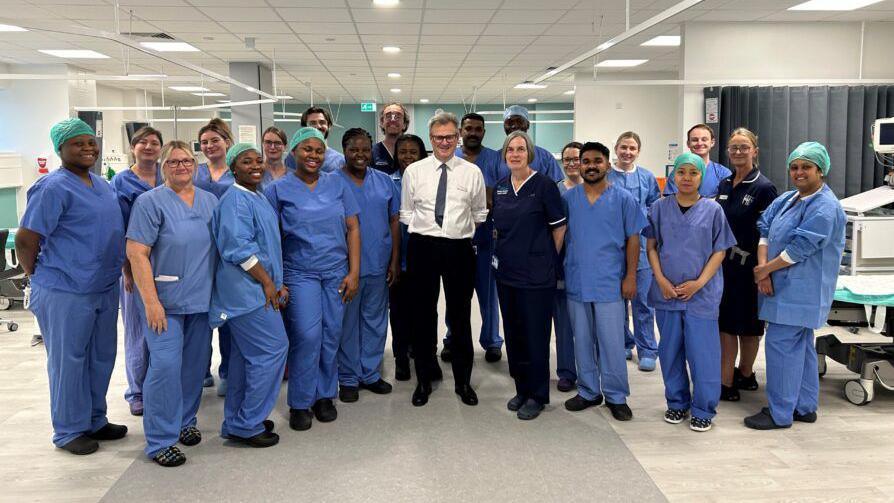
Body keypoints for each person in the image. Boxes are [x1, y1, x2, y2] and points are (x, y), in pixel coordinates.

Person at [16, 118, 127, 455]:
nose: (88, 148)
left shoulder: (103, 184)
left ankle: (95, 418)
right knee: (69, 361)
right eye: (78, 143)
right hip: (65, 289)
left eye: (91, 142)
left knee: (101, 357)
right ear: (61, 149)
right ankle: (67, 430)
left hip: (103, 286)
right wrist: (37, 274)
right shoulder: (52, 188)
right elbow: (26, 238)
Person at [126, 140, 218, 466]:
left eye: (187, 161)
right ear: (163, 167)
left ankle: (185, 421)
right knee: (164, 367)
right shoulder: (149, 203)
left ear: (195, 165)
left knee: (194, 367)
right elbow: (137, 253)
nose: (182, 167)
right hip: (163, 301)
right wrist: (150, 302)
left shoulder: (209, 201)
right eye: (174, 162)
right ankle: (160, 439)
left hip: (201, 299)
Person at [265, 127, 361, 431]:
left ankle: (324, 396)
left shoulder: (337, 184)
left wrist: (354, 272)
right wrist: (276, 279)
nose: (313, 156)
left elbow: (353, 228)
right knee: (307, 336)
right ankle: (300, 401)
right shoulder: (278, 190)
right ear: (293, 152)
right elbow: (269, 238)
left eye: (319, 150)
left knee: (331, 332)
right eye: (307, 149)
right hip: (299, 271)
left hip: (335, 270)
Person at [745, 142, 845, 430]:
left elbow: (800, 248)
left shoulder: (825, 206)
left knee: (782, 348)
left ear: (821, 170)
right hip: (779, 284)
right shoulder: (789, 199)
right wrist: (763, 272)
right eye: (794, 167)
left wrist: (766, 269)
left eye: (806, 167)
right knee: (801, 348)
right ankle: (804, 406)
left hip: (801, 291)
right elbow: (765, 227)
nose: (799, 172)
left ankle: (779, 413)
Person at [400, 111, 487, 407]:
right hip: (422, 246)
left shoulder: (471, 172)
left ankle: (463, 381)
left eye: (450, 136)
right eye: (439, 137)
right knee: (422, 315)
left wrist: (456, 233)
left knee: (460, 316)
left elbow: (479, 214)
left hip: (458, 248)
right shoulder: (415, 172)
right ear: (431, 139)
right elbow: (407, 213)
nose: (444, 142)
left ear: (458, 137)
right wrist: (431, 232)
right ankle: (424, 378)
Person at [645, 152, 736, 432]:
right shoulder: (660, 207)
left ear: (702, 177)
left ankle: (703, 409)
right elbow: (651, 246)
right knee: (670, 352)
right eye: (681, 172)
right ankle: (676, 403)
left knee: (703, 355)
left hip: (701, 295)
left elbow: (720, 250)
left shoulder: (713, 210)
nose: (686, 178)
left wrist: (698, 283)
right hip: (667, 293)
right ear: (674, 175)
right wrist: (660, 279)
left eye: (693, 173)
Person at [211, 143, 288, 448]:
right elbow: (238, 249)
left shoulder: (255, 196)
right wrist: (269, 283)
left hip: (255, 290)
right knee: (272, 350)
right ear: (233, 168)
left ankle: (238, 420)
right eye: (246, 161)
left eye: (258, 161)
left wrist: (276, 281)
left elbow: (267, 245)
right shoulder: (234, 200)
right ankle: (247, 422)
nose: (255, 165)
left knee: (246, 358)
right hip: (247, 293)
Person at [562, 142, 644, 422]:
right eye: (586, 161)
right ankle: (588, 391)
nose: (591, 166)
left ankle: (616, 396)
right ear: (579, 166)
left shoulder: (623, 199)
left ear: (608, 165)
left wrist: (631, 275)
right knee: (581, 339)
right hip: (577, 279)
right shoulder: (570, 199)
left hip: (610, 281)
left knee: (611, 341)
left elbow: (634, 239)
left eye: (597, 160)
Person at [492, 131, 566, 420]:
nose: (515, 154)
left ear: (529, 153)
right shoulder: (500, 187)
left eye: (521, 149)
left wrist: (546, 258)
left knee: (536, 335)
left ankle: (538, 394)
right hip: (507, 273)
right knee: (514, 334)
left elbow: (559, 228)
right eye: (510, 149)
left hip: (537, 276)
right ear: (504, 154)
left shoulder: (545, 186)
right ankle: (521, 388)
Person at [336, 128, 400, 402]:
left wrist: (395, 260)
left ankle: (370, 373)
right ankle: (349, 377)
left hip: (378, 263)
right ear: (344, 151)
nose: (360, 155)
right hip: (345, 268)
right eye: (354, 149)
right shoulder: (332, 182)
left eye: (365, 149)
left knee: (375, 320)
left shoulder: (385, 182)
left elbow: (394, 221)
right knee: (348, 323)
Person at [716, 128, 777, 402]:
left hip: (750, 268)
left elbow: (769, 232)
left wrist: (764, 270)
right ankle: (725, 379)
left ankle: (746, 372)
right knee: (726, 324)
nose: (738, 152)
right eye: (733, 148)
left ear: (755, 151)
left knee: (750, 326)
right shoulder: (725, 184)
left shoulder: (763, 187)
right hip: (723, 266)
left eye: (743, 147)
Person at [442, 112, 504, 364]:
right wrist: (482, 195)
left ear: (483, 133)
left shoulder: (495, 159)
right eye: (468, 129)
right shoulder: (450, 158)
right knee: (456, 295)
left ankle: (492, 341)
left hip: (487, 239)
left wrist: (482, 195)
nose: (473, 133)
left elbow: (501, 192)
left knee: (489, 294)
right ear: (460, 132)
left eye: (478, 129)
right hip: (456, 240)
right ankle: (452, 339)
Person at [110, 126, 164, 417]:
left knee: (163, 327)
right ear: (133, 147)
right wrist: (126, 271)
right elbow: (117, 228)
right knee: (138, 330)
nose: (148, 147)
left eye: (154, 143)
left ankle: (160, 386)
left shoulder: (166, 176)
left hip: (167, 264)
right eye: (142, 142)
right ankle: (138, 391)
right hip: (133, 264)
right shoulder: (121, 182)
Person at [606, 132, 661, 371]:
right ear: (615, 148)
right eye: (623, 147)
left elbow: (655, 208)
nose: (627, 152)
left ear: (638, 151)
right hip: (612, 247)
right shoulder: (606, 176)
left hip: (641, 247)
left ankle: (647, 348)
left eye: (632, 148)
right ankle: (623, 343)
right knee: (616, 301)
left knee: (643, 301)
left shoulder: (647, 177)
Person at [193, 118, 235, 396]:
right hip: (198, 251)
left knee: (230, 316)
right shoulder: (194, 172)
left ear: (227, 142)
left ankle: (229, 372)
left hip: (231, 250)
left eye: (215, 140)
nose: (209, 146)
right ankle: (199, 369)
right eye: (205, 142)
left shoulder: (240, 171)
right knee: (198, 315)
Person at [389, 134, 433, 381]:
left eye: (412, 152)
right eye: (402, 152)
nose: (407, 157)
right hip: (397, 258)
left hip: (425, 258)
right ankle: (400, 358)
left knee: (424, 310)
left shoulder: (429, 181)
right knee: (398, 311)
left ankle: (422, 352)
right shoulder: (387, 182)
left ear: (421, 155)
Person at [554, 141, 582, 392]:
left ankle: (591, 371)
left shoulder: (602, 191)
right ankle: (566, 371)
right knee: (563, 322)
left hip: (592, 267)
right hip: (562, 265)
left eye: (577, 158)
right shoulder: (555, 191)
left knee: (592, 324)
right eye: (568, 159)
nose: (572, 163)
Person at [663, 124, 731, 198]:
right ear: (688, 144)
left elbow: (726, 202)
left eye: (704, 139)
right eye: (695, 140)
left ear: (712, 142)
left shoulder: (723, 173)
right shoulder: (677, 173)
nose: (699, 143)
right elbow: (670, 203)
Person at [500, 105, 564, 183]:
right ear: (504, 127)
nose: (514, 126)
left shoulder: (545, 158)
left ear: (528, 125)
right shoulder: (496, 158)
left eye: (519, 122)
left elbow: (557, 186)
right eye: (510, 123)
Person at [285, 106, 345, 174]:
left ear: (329, 126)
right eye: (312, 123)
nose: (318, 126)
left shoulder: (340, 160)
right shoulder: (293, 157)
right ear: (305, 128)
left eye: (322, 122)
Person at [373, 102, 410, 175]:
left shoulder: (414, 152)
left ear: (404, 124)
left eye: (398, 117)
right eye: (388, 116)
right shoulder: (372, 152)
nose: (393, 120)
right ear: (382, 123)